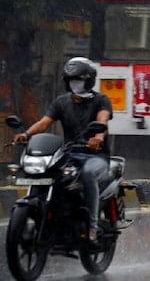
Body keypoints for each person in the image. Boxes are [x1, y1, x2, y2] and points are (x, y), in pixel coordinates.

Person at [13, 57, 113, 243]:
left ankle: (92, 226)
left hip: (95, 156)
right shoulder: (61, 102)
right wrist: (26, 134)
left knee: (88, 174)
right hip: (69, 154)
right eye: (72, 80)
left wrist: (97, 138)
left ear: (89, 80)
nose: (75, 84)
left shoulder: (101, 101)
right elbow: (44, 123)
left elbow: (102, 121)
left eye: (79, 80)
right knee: (49, 173)